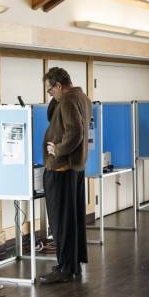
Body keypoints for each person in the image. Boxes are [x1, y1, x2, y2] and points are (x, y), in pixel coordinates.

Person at [39, 67, 91, 283]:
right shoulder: (81, 97)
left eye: (51, 91)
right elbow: (53, 115)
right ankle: (72, 265)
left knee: (61, 220)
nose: (50, 95)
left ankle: (65, 269)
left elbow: (75, 132)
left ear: (59, 85)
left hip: (62, 167)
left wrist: (57, 149)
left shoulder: (68, 100)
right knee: (72, 219)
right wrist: (56, 99)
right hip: (75, 168)